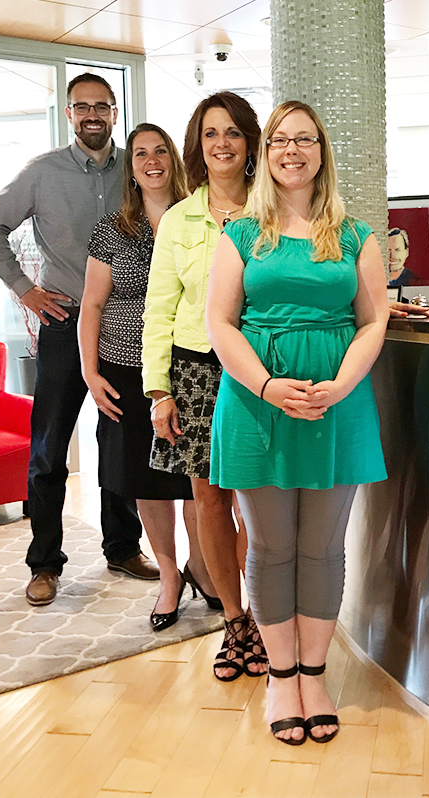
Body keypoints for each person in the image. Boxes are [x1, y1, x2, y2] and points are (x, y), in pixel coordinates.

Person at [206, 101, 389, 745]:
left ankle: (315, 671)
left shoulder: (358, 235)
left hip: (336, 403)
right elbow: (220, 323)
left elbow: (373, 321)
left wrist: (340, 385)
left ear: (321, 152)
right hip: (257, 402)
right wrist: (264, 383)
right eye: (281, 139)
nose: (291, 150)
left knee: (322, 548)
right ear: (267, 151)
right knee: (271, 546)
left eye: (304, 140)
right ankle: (282, 674)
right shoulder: (238, 235)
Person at [0, 73, 158, 608]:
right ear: (70, 114)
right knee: (49, 449)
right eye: (83, 107)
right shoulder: (41, 173)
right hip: (63, 322)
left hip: (125, 326)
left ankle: (123, 546)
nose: (93, 115)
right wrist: (24, 289)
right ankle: (44, 563)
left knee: (120, 440)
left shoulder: (137, 168)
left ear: (116, 111)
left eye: (102, 105)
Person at [142, 93, 267, 676]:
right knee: (210, 501)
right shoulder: (178, 219)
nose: (222, 143)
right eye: (211, 133)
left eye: (233, 133)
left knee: (260, 504)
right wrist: (159, 392)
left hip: (261, 369)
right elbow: (159, 308)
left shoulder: (272, 212)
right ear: (199, 145)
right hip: (195, 371)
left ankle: (268, 620)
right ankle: (234, 621)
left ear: (249, 144)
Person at [79, 123, 221, 631]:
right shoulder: (113, 228)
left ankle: (203, 568)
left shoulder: (198, 216)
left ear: (174, 159)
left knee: (194, 481)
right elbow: (92, 305)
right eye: (141, 153)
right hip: (123, 368)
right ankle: (168, 577)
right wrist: (90, 372)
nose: (152, 160)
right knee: (146, 482)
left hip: (187, 367)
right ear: (130, 166)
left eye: (160, 150)